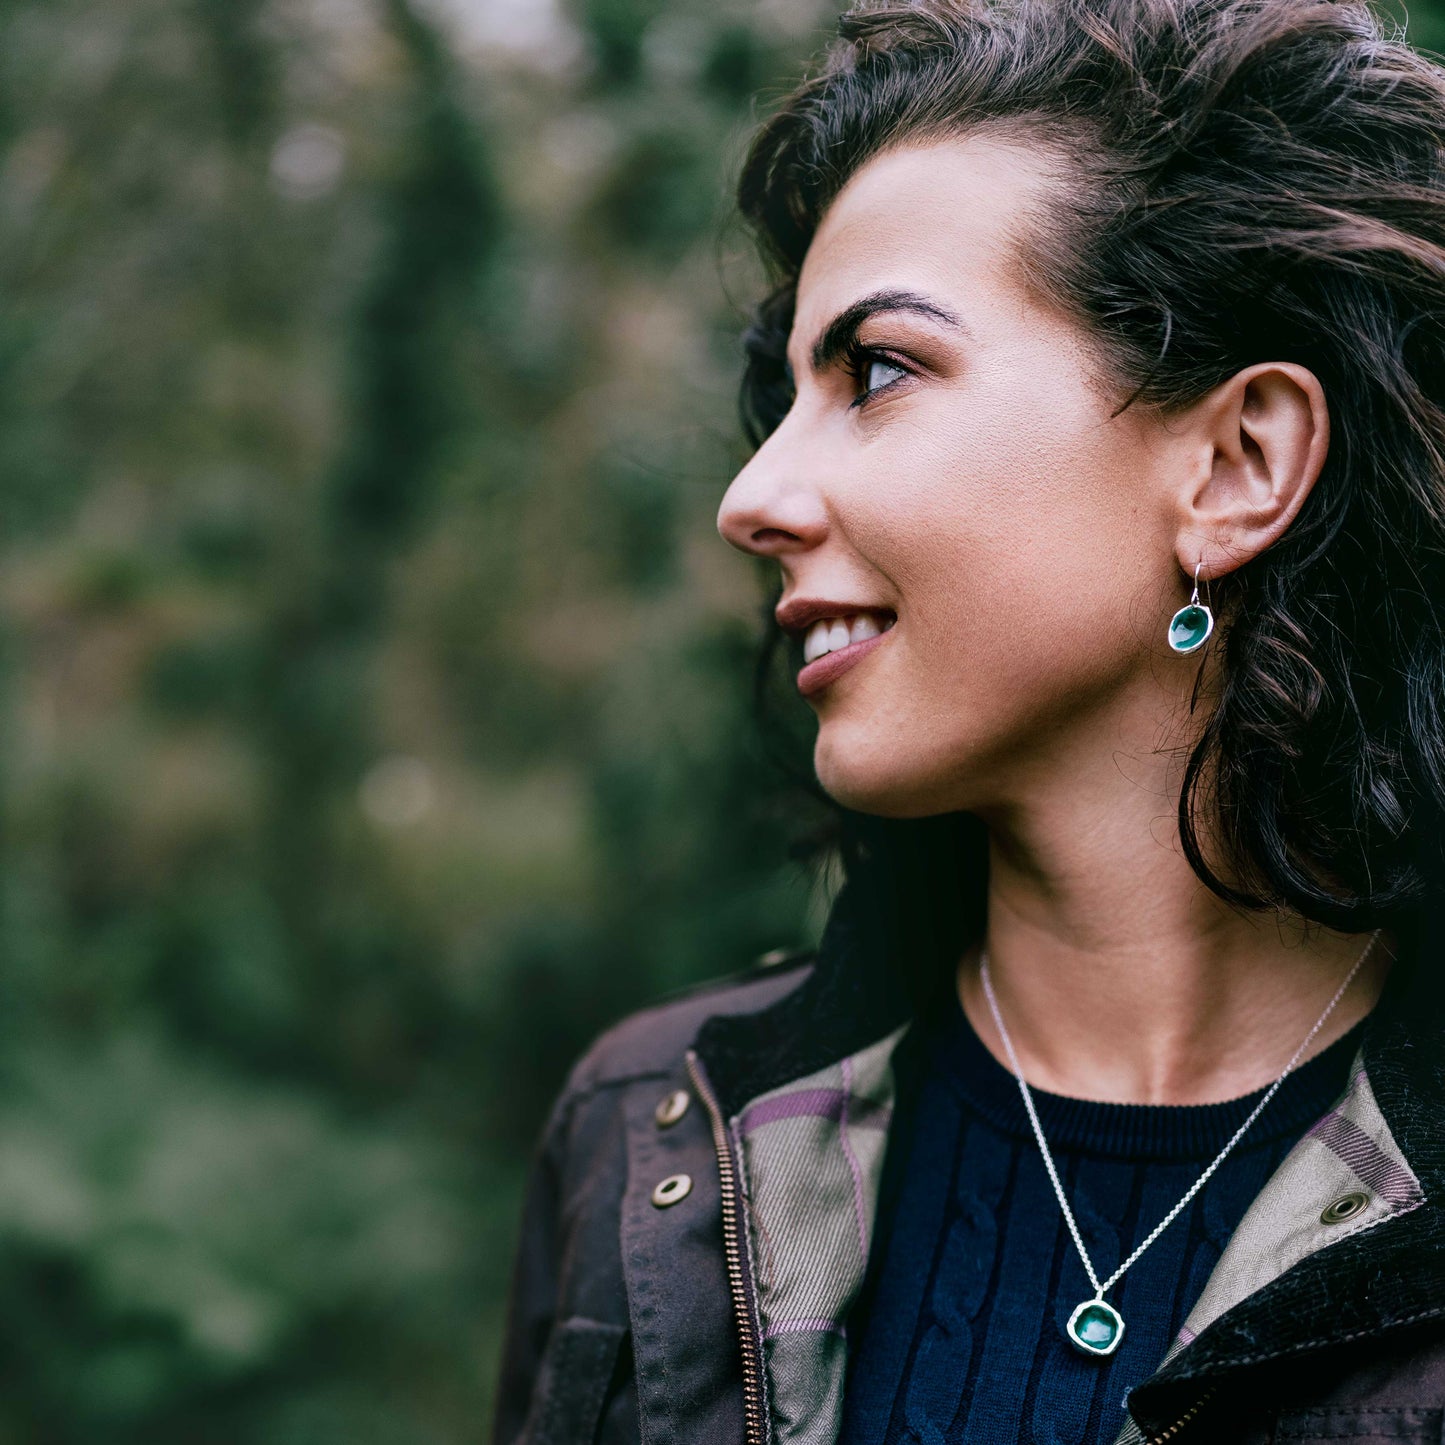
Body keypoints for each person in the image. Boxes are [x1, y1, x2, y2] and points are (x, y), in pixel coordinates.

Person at [489, 1, 1445, 1441]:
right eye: (781, 400)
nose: (752, 500)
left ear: (1237, 462)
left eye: (876, 371)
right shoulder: (646, 1137)